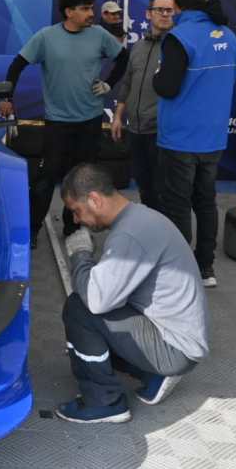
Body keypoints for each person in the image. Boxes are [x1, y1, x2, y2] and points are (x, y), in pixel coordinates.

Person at [56, 163, 208, 424]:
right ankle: (152, 374)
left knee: (79, 309)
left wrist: (80, 255)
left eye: (76, 211)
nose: (77, 220)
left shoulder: (130, 234)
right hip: (178, 337)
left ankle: (104, 402)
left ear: (94, 200)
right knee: (93, 323)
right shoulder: (139, 217)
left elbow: (96, 300)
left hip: (174, 347)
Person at [0, 0, 129, 248]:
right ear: (69, 12)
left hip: (90, 121)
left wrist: (108, 83)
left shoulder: (99, 35)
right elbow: (17, 65)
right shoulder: (46, 37)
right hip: (57, 123)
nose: (91, 13)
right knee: (45, 179)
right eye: (85, 9)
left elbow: (124, 58)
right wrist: (7, 98)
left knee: (82, 178)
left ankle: (73, 227)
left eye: (91, 8)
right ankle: (32, 229)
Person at [153, 0, 236, 288]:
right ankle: (205, 268)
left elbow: (167, 87)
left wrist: (156, 76)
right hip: (213, 136)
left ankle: (179, 271)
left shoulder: (179, 37)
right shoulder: (230, 36)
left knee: (177, 204)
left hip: (180, 136)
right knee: (205, 202)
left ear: (176, 4)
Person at [111, 0, 174, 211]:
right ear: (148, 14)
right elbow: (127, 83)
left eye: (169, 10)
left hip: (161, 132)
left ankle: (164, 228)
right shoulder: (137, 47)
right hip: (135, 130)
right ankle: (151, 224)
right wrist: (118, 116)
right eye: (159, 9)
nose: (165, 14)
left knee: (163, 190)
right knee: (144, 186)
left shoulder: (177, 48)